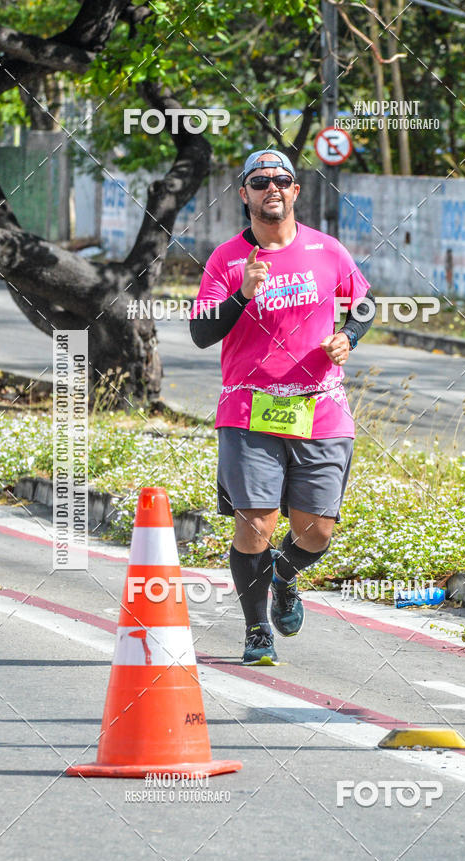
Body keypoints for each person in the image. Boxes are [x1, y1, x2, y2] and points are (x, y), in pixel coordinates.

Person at [190, 149, 374, 664]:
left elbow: (363, 304)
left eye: (282, 180)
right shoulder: (226, 259)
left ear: (295, 192)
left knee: (315, 532)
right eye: (260, 181)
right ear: (244, 194)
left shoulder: (327, 249)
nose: (272, 187)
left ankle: (284, 577)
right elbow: (202, 333)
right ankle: (255, 632)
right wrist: (242, 295)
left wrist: (349, 338)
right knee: (255, 526)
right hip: (249, 409)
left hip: (321, 409)